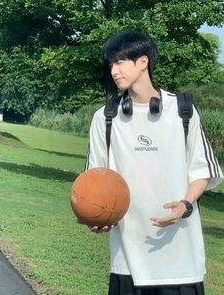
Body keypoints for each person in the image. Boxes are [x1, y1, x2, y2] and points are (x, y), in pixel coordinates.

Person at [84, 31, 223, 295]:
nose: (114, 70)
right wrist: (96, 216)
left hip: (181, 260)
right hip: (127, 261)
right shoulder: (105, 117)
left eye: (120, 62)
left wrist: (184, 205)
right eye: (111, 64)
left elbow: (202, 170)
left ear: (143, 62)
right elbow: (95, 180)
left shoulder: (183, 111)